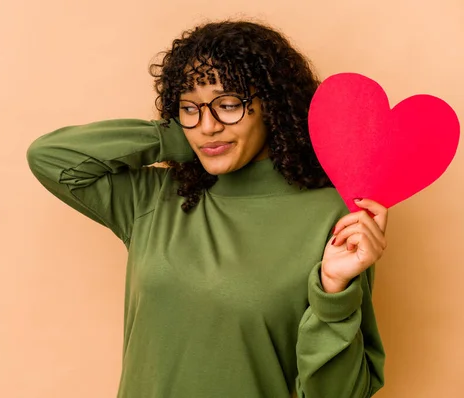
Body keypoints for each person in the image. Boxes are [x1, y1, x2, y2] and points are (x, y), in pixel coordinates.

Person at [26, 20, 387, 398]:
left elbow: (338, 393)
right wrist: (181, 138)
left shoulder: (333, 215)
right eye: (189, 107)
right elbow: (50, 157)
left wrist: (333, 289)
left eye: (228, 105)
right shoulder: (153, 199)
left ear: (272, 107)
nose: (208, 124)